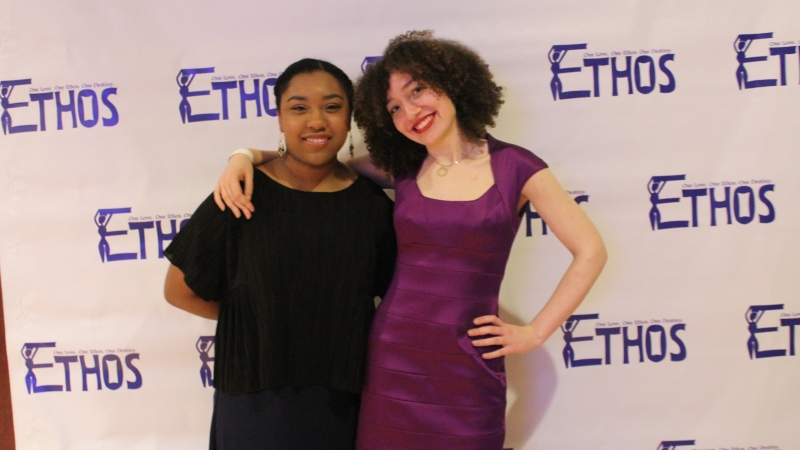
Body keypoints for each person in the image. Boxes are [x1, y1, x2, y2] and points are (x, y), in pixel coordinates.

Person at [214, 31, 606, 450]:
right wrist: (245, 155)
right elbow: (314, 159)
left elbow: (591, 251)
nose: (410, 112)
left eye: (417, 91)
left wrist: (534, 333)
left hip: (469, 366)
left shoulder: (518, 167)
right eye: (394, 107)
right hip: (392, 361)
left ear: (451, 82)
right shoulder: (402, 168)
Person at [163, 58, 396, 450]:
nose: (317, 121)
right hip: (253, 402)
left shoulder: (372, 207)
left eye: (333, 107)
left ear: (350, 116)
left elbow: (394, 303)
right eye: (299, 107)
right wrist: (262, 317)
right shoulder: (240, 195)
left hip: (341, 404)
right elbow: (179, 291)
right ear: (280, 118)